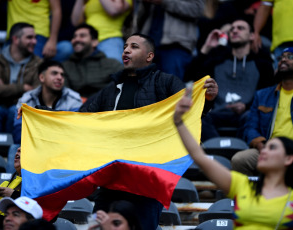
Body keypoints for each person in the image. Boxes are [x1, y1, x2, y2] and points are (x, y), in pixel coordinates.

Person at [79, 33, 218, 229]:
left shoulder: (165, 82)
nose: (126, 50)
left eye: (134, 46)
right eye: (125, 46)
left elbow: (189, 111)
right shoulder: (110, 89)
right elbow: (79, 120)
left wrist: (208, 100)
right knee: (100, 225)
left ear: (149, 56)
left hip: (147, 177)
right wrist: (44, 116)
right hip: (112, 176)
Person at [174, 87, 293, 229]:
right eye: (265, 147)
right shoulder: (242, 185)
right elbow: (200, 157)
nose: (264, 151)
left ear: (288, 159)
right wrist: (179, 122)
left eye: (272, 148)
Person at [184, 19, 274, 141]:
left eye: (240, 28)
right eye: (232, 29)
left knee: (253, 118)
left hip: (247, 113)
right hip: (218, 112)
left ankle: (238, 153)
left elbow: (266, 94)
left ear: (252, 35)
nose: (234, 31)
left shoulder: (262, 65)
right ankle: (218, 151)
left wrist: (246, 106)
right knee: (198, 117)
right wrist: (206, 47)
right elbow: (190, 77)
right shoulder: (217, 61)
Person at [231, 47, 293, 176]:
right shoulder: (262, 95)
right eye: (281, 58)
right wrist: (261, 145)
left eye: (290, 57)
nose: (283, 60)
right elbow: (251, 127)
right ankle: (249, 196)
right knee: (239, 160)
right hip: (269, 148)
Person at [0, 22, 41, 135]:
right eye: (29, 37)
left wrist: (2, 87)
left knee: (14, 111)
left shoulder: (38, 63)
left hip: (23, 108)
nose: (34, 41)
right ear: (15, 39)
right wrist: (22, 87)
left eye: (35, 38)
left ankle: (13, 150)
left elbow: (36, 93)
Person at [13, 60, 82, 144]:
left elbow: (73, 132)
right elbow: (18, 133)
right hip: (33, 145)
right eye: (54, 73)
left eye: (62, 75)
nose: (59, 77)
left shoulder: (73, 100)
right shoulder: (26, 101)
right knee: (14, 148)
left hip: (62, 146)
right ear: (42, 77)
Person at [135, 0, 205, 79]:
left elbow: (197, 9)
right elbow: (138, 17)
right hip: (148, 45)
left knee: (170, 89)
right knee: (143, 88)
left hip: (175, 46)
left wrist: (164, 2)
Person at [63, 24, 123, 99]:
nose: (76, 39)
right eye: (74, 37)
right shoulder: (66, 66)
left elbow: (125, 85)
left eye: (82, 36)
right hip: (76, 107)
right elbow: (64, 93)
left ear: (94, 42)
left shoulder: (112, 64)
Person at [253, 0, 293, 68]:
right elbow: (265, 7)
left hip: (282, 39)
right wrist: (256, 32)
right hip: (282, 40)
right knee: (282, 75)